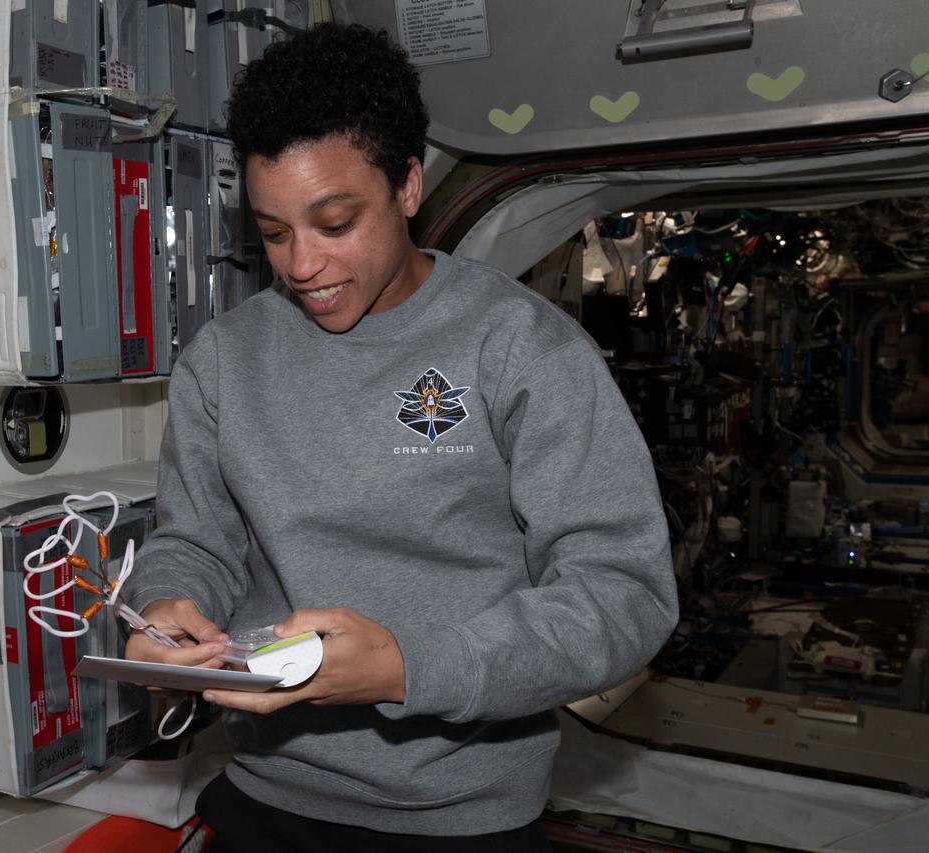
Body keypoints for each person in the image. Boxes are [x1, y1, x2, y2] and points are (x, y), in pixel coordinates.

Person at [123, 22, 678, 852]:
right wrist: (171, 609)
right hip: (265, 797)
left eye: (335, 221)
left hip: (462, 819)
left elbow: (623, 595)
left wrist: (409, 666)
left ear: (409, 185)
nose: (302, 264)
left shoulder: (519, 349)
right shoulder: (224, 363)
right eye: (274, 234)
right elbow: (196, 538)